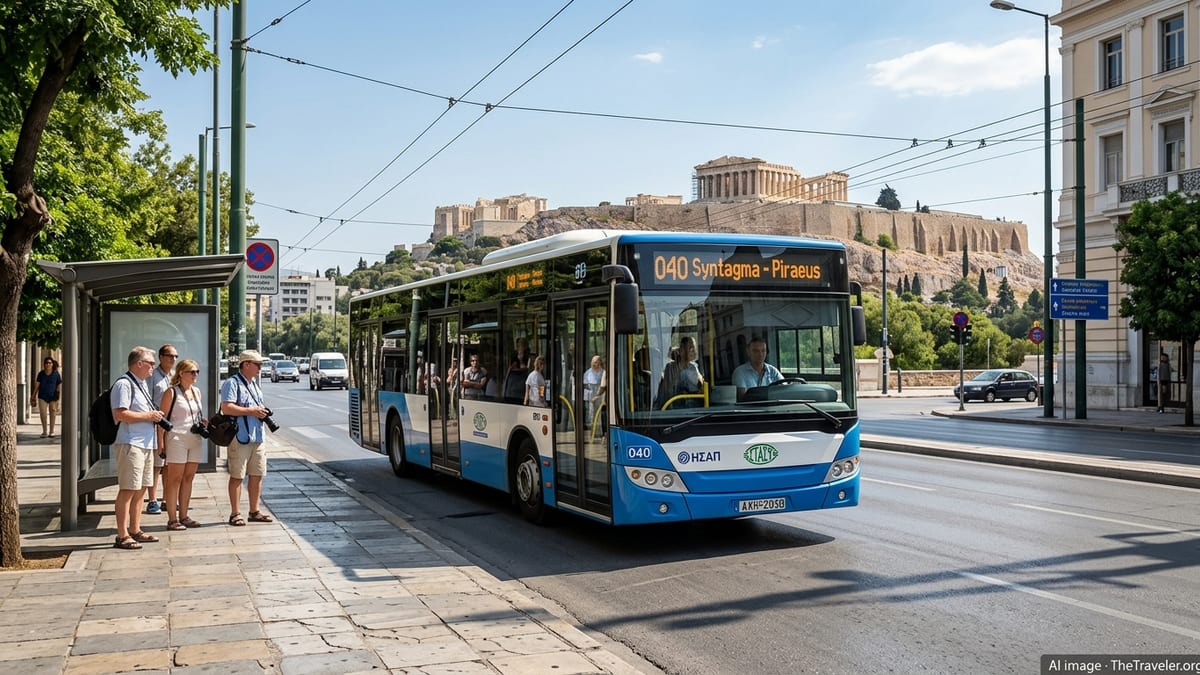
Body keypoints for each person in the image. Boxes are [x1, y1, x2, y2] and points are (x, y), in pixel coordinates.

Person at [110, 346, 165, 550]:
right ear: (139, 363)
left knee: (141, 489)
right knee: (128, 489)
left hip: (146, 443)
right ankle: (122, 535)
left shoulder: (141, 383)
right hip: (131, 442)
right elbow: (121, 414)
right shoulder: (124, 384)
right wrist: (149, 416)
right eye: (151, 363)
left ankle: (135, 529)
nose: (153, 366)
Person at [221, 349, 275, 526]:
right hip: (240, 436)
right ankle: (235, 513)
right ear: (246, 365)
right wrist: (251, 411)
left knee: (257, 474)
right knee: (237, 475)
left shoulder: (254, 384)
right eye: (258, 364)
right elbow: (227, 407)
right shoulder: (232, 383)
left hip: (257, 437)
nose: (260, 368)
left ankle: (254, 510)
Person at [158, 358, 206, 530]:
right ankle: (172, 519)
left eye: (197, 372)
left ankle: (184, 515)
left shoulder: (197, 392)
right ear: (181, 373)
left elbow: (196, 415)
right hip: (176, 437)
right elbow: (161, 419)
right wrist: (160, 443)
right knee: (174, 479)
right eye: (192, 372)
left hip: (194, 439)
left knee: (189, 478)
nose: (195, 375)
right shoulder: (171, 392)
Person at [144, 344, 178, 515]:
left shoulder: (173, 376)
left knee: (168, 465)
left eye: (175, 356)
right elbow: (148, 399)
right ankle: (152, 500)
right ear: (161, 357)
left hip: (171, 425)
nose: (173, 359)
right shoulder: (153, 376)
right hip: (156, 424)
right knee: (156, 465)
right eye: (170, 355)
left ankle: (166, 499)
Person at [656, 337, 704, 408]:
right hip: (674, 407)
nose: (694, 351)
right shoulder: (670, 368)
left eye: (694, 348)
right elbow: (667, 391)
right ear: (682, 350)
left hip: (694, 406)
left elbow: (701, 386)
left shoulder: (694, 366)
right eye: (690, 348)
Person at [32, 356, 62, 437]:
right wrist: (33, 396)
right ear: (44, 364)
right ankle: (44, 431)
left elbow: (59, 386)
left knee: (53, 413)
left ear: (52, 364)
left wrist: (58, 398)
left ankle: (51, 431)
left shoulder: (56, 374)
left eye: (50, 363)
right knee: (43, 414)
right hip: (42, 396)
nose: (48, 364)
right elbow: (37, 385)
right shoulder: (41, 374)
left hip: (53, 397)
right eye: (46, 363)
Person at [583, 355, 607, 424]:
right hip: (591, 395)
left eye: (595, 362)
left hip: (600, 395)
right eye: (592, 362)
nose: (593, 364)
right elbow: (585, 385)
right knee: (591, 413)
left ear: (599, 363)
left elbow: (603, 386)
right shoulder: (587, 373)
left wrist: (597, 396)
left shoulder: (603, 372)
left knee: (600, 412)